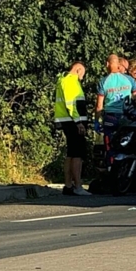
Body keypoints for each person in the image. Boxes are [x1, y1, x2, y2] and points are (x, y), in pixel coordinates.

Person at [53, 61, 90, 196]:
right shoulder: (70, 81)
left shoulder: (64, 80)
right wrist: (78, 122)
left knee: (71, 153)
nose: (83, 77)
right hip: (72, 122)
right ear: (78, 69)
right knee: (77, 154)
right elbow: (71, 104)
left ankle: (68, 185)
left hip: (67, 121)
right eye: (83, 74)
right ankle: (77, 186)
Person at [96, 54, 136, 126]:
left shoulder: (103, 82)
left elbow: (99, 106)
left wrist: (96, 121)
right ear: (118, 65)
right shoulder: (130, 80)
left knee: (109, 136)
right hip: (126, 115)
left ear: (107, 64)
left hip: (109, 116)